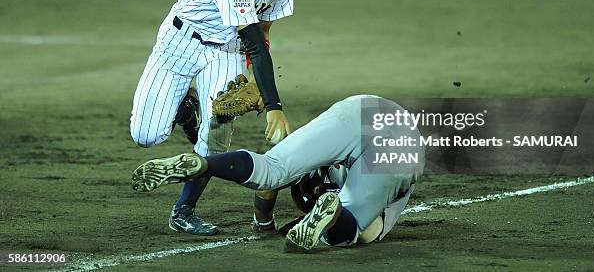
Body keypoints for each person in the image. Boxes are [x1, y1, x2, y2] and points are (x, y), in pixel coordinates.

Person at [129, 0, 307, 235]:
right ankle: (184, 110)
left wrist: (255, 78)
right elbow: (253, 40)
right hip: (181, 41)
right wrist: (273, 103)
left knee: (216, 137)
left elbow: (263, 32)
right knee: (146, 135)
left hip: (227, 49)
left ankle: (184, 210)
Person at [132, 95, 426, 250]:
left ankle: (208, 163)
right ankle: (333, 215)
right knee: (357, 232)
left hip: (360, 112)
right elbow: (373, 228)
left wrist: (265, 223)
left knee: (272, 169)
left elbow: (269, 184)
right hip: (391, 129)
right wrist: (264, 223)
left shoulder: (314, 171)